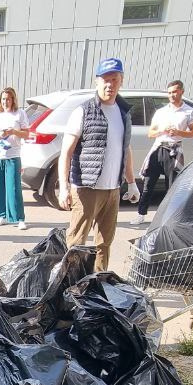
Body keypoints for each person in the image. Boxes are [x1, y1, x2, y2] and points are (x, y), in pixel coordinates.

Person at [57, 57, 140, 268]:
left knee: (105, 242)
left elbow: (126, 149)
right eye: (105, 80)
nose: (110, 84)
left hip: (112, 189)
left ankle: (98, 284)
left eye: (114, 79)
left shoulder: (123, 113)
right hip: (86, 189)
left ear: (121, 81)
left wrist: (131, 183)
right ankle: (70, 286)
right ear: (97, 82)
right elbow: (66, 152)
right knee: (77, 242)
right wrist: (64, 188)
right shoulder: (84, 111)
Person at [133, 79, 193, 225]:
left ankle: (168, 217)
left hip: (175, 149)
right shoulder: (161, 112)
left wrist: (178, 132)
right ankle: (141, 214)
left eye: (174, 92)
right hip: (159, 147)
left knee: (172, 186)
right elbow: (151, 133)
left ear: (181, 91)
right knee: (149, 183)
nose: (172, 95)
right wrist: (162, 130)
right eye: (169, 93)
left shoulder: (188, 111)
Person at [0, 87, 30, 230]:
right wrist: (0, 135)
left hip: (13, 156)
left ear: (13, 100)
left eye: (8, 99)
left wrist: (13, 131)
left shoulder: (20, 114)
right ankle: (1, 215)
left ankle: (20, 218)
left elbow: (26, 134)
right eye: (3, 99)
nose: (5, 102)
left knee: (13, 188)